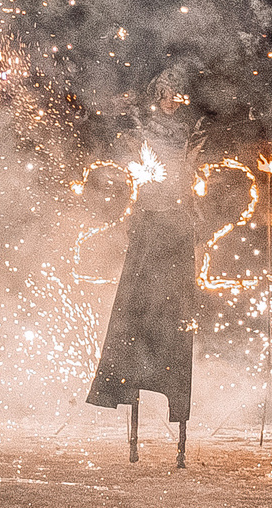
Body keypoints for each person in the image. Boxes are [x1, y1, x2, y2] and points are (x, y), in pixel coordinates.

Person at [85, 71, 204, 466]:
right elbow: (133, 159)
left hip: (178, 226)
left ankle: (179, 436)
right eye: (165, 93)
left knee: (177, 317)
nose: (171, 99)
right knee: (134, 309)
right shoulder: (144, 127)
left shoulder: (190, 132)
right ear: (158, 94)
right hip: (150, 223)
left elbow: (191, 174)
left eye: (176, 93)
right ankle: (128, 402)